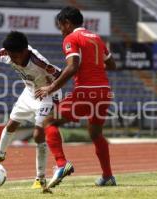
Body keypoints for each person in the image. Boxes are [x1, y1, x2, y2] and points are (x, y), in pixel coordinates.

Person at [0, 31, 67, 189]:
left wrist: (49, 89)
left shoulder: (39, 62)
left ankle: (40, 178)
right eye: (9, 55)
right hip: (29, 93)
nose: (11, 59)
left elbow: (61, 75)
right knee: (11, 124)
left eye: (14, 56)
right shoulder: (7, 53)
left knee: (38, 134)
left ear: (24, 52)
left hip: (47, 95)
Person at [35, 6, 117, 188]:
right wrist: (94, 67)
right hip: (104, 91)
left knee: (49, 122)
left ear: (67, 23)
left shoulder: (71, 38)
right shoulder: (96, 38)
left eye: (60, 26)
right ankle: (108, 176)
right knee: (95, 133)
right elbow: (112, 65)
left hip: (85, 91)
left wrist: (51, 87)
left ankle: (61, 164)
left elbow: (72, 67)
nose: (61, 31)